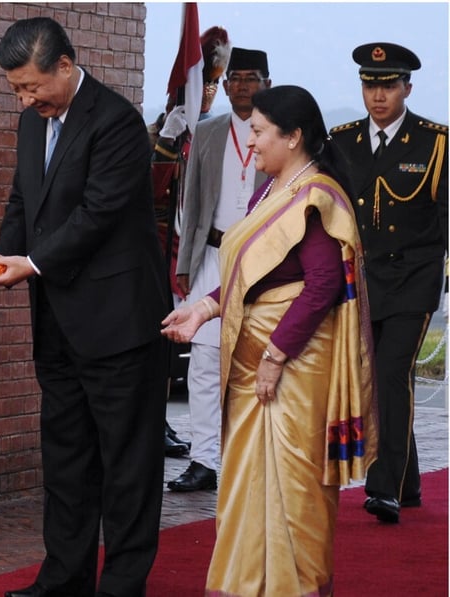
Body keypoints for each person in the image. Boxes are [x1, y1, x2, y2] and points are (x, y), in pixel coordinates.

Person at [0, 17, 170, 597]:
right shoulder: (29, 124)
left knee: (127, 467)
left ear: (65, 65)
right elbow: (24, 199)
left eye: (32, 86)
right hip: (58, 323)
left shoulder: (116, 122)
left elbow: (98, 214)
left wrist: (32, 264)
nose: (24, 99)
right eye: (15, 89)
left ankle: (121, 585)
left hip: (120, 323)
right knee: (66, 461)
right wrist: (0, 256)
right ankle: (63, 580)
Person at [162, 85, 376, 596]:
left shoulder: (316, 196)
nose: (251, 143)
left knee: (293, 490)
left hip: (294, 366)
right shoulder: (269, 190)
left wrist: (276, 356)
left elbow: (322, 285)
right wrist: (203, 308)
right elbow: (248, 275)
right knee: (247, 483)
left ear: (294, 136)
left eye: (258, 132)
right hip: (258, 358)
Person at [329, 42, 448, 524]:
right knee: (377, 381)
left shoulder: (435, 142)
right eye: (370, 85)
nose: (378, 95)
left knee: (391, 374)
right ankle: (412, 482)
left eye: (388, 85)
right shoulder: (342, 141)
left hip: (414, 280)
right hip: (362, 281)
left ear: (407, 88)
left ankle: (384, 489)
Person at [167, 48, 271, 493]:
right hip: (212, 255)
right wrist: (186, 262)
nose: (242, 85)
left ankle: (257, 458)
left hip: (267, 261)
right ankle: (205, 459)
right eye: (235, 78)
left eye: (251, 77)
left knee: (259, 360)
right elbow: (191, 205)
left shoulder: (280, 131)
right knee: (205, 364)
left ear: (267, 82)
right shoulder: (208, 133)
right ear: (224, 85)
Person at [151, 25, 231, 460]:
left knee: (187, 352)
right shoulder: (157, 131)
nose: (208, 92)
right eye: (204, 83)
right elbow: (149, 191)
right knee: (157, 342)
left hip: (195, 254)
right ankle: (154, 420)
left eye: (215, 84)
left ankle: (176, 430)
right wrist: (167, 142)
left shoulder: (215, 135)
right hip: (158, 250)